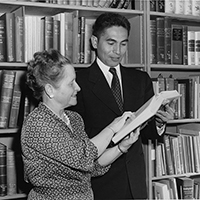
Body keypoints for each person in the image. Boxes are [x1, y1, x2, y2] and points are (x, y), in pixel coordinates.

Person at [69, 12, 175, 199]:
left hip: (134, 180)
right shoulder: (78, 82)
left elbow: (147, 133)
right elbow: (76, 140)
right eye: (111, 43)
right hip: (98, 180)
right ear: (95, 42)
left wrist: (159, 123)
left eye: (123, 43)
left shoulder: (140, 79)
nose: (118, 51)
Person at [20, 49, 140, 200]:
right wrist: (112, 128)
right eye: (71, 83)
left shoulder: (74, 119)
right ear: (50, 90)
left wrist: (121, 147)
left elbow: (92, 166)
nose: (78, 87)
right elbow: (82, 157)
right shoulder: (38, 124)